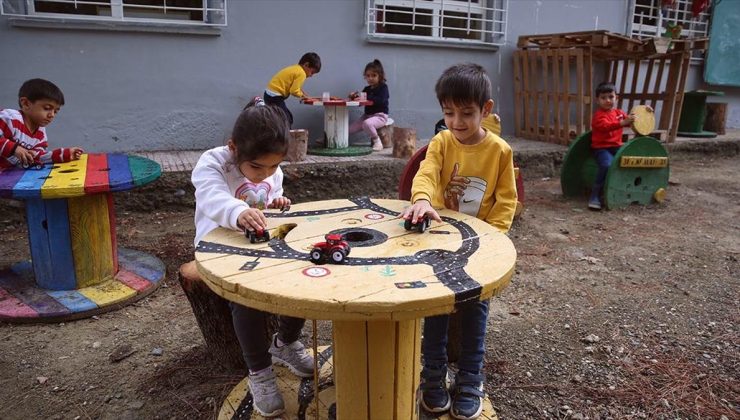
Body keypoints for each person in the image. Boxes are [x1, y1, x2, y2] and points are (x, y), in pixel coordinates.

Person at [401, 63, 517, 420]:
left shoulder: (499, 151)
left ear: (486, 109)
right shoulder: (441, 142)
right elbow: (427, 172)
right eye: (449, 113)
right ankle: (433, 375)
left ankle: (470, 378)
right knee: (435, 310)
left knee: (475, 312)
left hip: (477, 249)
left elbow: (506, 199)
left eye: (466, 113)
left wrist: (493, 236)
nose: (457, 122)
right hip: (439, 241)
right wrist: (421, 199)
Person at [191, 97, 313, 417]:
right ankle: (259, 371)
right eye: (257, 167)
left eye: (274, 166)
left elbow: (265, 198)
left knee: (302, 272)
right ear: (234, 148)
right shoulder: (213, 162)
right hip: (216, 248)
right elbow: (212, 197)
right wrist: (240, 212)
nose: (266, 174)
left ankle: (285, 341)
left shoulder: (271, 170)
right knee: (244, 297)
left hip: (259, 243)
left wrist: (276, 202)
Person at [0, 78, 83, 171]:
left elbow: (36, 156)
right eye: (47, 108)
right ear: (26, 103)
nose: (51, 115)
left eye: (55, 111)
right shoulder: (9, 118)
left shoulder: (40, 134)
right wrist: (14, 149)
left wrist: (64, 154)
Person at [588, 82, 637, 210]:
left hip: (616, 147)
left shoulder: (619, 113)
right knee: (606, 165)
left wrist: (645, 111)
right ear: (597, 100)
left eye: (611, 97)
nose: (607, 100)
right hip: (601, 148)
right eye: (603, 98)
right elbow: (605, 127)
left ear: (617, 98)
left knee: (629, 160)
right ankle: (595, 194)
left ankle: (624, 189)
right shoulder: (598, 116)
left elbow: (632, 120)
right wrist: (622, 123)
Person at [263, 52, 321, 127]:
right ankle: (285, 137)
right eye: (312, 72)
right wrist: (303, 96)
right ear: (306, 65)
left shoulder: (296, 68)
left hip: (269, 94)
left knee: (285, 117)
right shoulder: (302, 73)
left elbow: (296, 87)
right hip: (275, 96)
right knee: (287, 119)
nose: (311, 75)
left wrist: (303, 94)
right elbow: (294, 91)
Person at [348, 59, 390, 152]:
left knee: (367, 124)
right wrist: (354, 97)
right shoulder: (367, 89)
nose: (370, 78)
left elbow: (381, 100)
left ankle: (377, 141)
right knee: (348, 129)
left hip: (380, 116)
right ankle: (331, 140)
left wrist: (367, 98)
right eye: (368, 76)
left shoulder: (383, 87)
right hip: (366, 116)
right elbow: (362, 100)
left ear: (380, 76)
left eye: (373, 75)